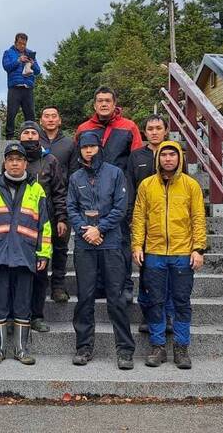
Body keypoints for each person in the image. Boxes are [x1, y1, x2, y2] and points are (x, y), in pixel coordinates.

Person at [0, 142, 52, 366]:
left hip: (26, 254)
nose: (15, 163)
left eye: (19, 159)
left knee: (22, 304)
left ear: (26, 163)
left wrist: (43, 253)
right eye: (11, 159)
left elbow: (44, 225)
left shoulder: (36, 189)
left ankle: (21, 349)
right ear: (5, 163)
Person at [131, 141, 207, 370]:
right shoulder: (146, 185)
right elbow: (139, 217)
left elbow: (198, 218)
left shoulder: (190, 185)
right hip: (154, 252)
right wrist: (137, 245)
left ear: (179, 159)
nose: (168, 159)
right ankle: (158, 345)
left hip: (183, 252)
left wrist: (198, 248)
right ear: (158, 159)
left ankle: (181, 347)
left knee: (182, 301)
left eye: (172, 155)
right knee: (155, 301)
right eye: (164, 155)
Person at [67, 131, 134, 370]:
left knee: (116, 298)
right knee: (85, 298)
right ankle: (83, 347)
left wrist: (100, 229)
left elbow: (121, 207)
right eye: (84, 147)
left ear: (99, 148)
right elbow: (71, 207)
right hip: (85, 245)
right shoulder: (75, 177)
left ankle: (125, 350)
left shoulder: (115, 174)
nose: (88, 151)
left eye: (92, 147)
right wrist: (85, 230)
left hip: (111, 243)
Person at [75, 86, 142, 302]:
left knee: (120, 239)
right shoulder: (84, 128)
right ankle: (100, 285)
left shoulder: (129, 126)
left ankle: (125, 285)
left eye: (107, 100)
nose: (103, 104)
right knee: (92, 238)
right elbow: (78, 159)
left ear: (115, 104)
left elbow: (137, 161)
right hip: (90, 191)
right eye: (100, 101)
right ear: (94, 105)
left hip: (120, 190)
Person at [125, 114, 174, 334]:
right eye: (150, 129)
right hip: (144, 223)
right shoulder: (136, 157)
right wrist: (129, 219)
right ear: (144, 132)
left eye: (158, 128)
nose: (154, 132)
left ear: (166, 130)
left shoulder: (174, 155)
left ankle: (169, 316)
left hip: (172, 224)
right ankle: (148, 315)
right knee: (146, 272)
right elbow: (130, 190)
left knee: (171, 274)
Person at [18, 121, 68, 332]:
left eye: (33, 133)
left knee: (40, 272)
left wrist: (62, 218)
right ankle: (19, 315)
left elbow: (59, 191)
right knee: (21, 272)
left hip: (44, 222)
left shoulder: (50, 160)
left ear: (39, 137)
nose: (30, 136)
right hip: (19, 224)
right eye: (25, 133)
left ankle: (37, 316)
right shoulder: (14, 159)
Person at [39, 106, 76, 302]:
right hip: (38, 202)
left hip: (62, 201)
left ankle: (58, 286)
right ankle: (40, 284)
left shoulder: (69, 144)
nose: (51, 119)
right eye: (47, 116)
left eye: (54, 116)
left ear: (59, 120)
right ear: (41, 120)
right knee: (39, 245)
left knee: (60, 246)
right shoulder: (34, 142)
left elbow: (74, 173)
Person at [2, 33, 41, 139]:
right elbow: (6, 67)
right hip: (15, 87)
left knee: (30, 115)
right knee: (11, 113)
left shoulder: (30, 53)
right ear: (15, 42)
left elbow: (37, 71)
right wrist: (18, 60)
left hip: (28, 88)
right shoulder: (8, 52)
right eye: (20, 43)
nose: (22, 46)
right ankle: (9, 138)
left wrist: (32, 63)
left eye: (24, 44)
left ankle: (32, 137)